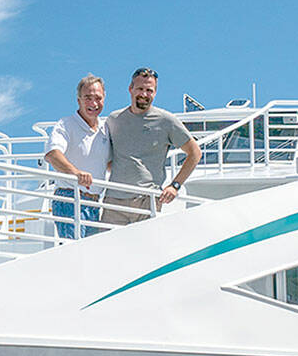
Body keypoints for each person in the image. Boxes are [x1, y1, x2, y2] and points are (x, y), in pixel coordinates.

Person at [101, 67, 200, 226]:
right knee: (107, 249)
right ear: (130, 89)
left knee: (144, 249)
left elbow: (195, 153)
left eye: (149, 90)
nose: (144, 94)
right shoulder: (114, 119)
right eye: (140, 88)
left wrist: (175, 186)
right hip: (113, 200)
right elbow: (106, 156)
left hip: (147, 200)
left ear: (155, 92)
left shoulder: (166, 120)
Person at [44, 74, 110, 238]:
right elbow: (53, 155)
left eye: (98, 98)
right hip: (70, 199)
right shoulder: (66, 125)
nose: (93, 103)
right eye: (88, 98)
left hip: (94, 203)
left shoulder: (105, 129)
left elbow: (109, 163)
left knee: (88, 258)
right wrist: (76, 173)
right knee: (74, 254)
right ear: (78, 100)